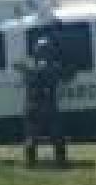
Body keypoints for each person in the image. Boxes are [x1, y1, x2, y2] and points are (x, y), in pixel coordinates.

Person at [19, 32, 71, 167]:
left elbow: (25, 79)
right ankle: (60, 162)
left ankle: (30, 163)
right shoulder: (53, 68)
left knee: (31, 137)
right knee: (57, 136)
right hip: (48, 105)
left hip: (32, 106)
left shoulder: (30, 68)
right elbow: (67, 75)